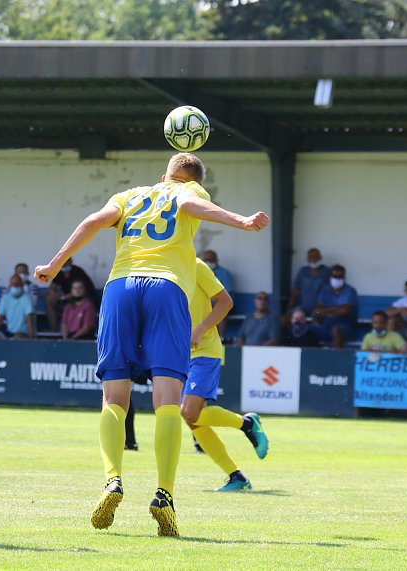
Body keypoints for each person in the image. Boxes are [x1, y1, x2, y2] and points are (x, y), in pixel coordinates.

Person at [34, 152, 269, 537]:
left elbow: (94, 221)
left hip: (120, 287)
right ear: (193, 180)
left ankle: (112, 480)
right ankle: (164, 495)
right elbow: (191, 204)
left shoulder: (131, 194)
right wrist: (241, 221)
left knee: (113, 399)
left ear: (162, 176)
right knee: (168, 401)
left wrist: (56, 264)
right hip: (166, 289)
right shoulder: (190, 192)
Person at [182, 258, 268, 492]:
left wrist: (200, 329)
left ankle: (247, 424)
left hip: (204, 351)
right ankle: (236, 476)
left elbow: (225, 302)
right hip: (177, 354)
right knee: (192, 419)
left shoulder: (195, 265)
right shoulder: (158, 270)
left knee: (189, 412)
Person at [311, 264, 359, 349]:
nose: (337, 279)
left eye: (340, 276)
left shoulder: (350, 290)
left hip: (346, 326)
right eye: (335, 276)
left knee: (336, 329)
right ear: (330, 277)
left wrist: (326, 312)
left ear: (344, 277)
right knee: (307, 328)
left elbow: (345, 311)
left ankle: (336, 357)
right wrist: (336, 309)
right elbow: (317, 310)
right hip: (326, 325)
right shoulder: (325, 290)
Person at [45, 256, 96, 332]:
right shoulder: (59, 273)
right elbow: (52, 288)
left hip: (82, 299)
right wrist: (55, 294)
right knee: (49, 300)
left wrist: (63, 297)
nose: (64, 265)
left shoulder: (78, 272)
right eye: (62, 263)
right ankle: (53, 329)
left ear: (70, 262)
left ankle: (74, 331)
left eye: (66, 263)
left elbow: (79, 291)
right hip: (66, 300)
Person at [286, 248, 331, 315]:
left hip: (319, 310)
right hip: (302, 308)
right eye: (311, 257)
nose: (313, 259)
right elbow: (296, 291)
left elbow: (330, 292)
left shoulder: (327, 271)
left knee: (317, 318)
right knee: (290, 320)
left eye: (316, 257)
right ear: (307, 259)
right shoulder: (303, 271)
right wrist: (289, 309)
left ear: (321, 257)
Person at [202, 250, 234, 338]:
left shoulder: (224, 273)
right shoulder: (199, 272)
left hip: (218, 302)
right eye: (207, 260)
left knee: (220, 307)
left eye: (211, 260)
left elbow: (228, 294)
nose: (209, 262)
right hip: (203, 303)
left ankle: (221, 338)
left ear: (216, 260)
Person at [0, 274, 35, 338]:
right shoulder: (6, 298)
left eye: (17, 284)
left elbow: (30, 320)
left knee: (17, 337)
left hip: (22, 333)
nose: (15, 286)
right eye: (13, 284)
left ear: (22, 285)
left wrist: (31, 339)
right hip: (7, 331)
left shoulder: (27, 298)